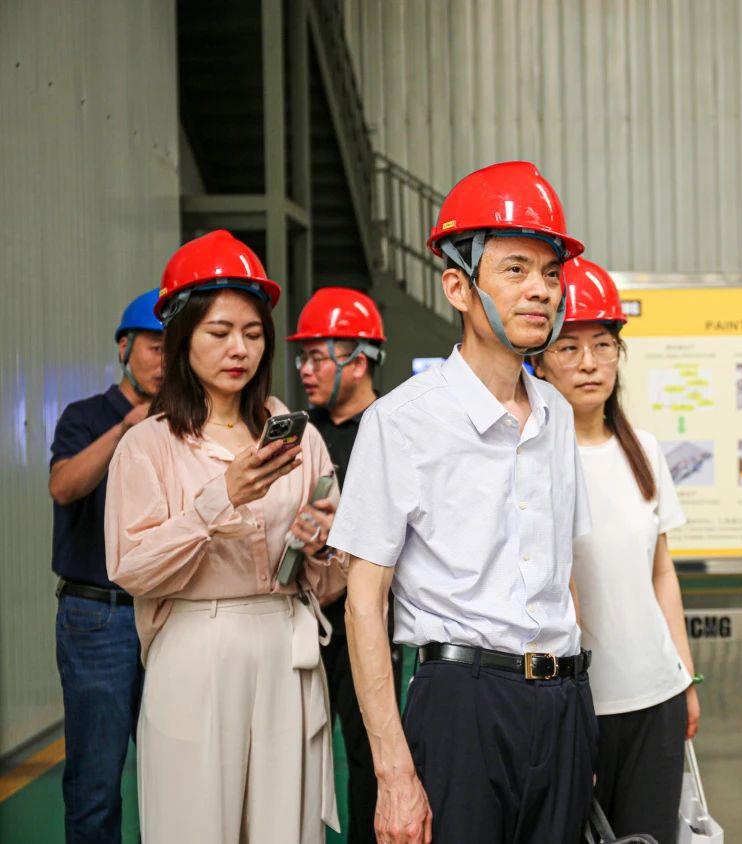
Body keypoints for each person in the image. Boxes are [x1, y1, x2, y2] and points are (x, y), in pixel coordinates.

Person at [329, 161, 596, 844]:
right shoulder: (402, 422)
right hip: (462, 706)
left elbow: (562, 573)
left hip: (564, 701)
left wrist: (577, 720)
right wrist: (393, 773)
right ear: (458, 286)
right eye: (515, 269)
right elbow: (364, 602)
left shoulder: (558, 414)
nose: (540, 290)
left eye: (550, 272)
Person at [105, 230, 348, 842]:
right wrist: (221, 498)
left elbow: (328, 580)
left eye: (253, 333)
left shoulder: (299, 436)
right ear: (182, 337)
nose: (239, 348)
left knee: (283, 825)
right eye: (219, 332)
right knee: (194, 821)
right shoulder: (149, 445)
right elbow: (132, 568)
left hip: (286, 642)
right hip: (196, 643)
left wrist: (321, 546)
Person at [533, 257, 700, 844]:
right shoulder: (533, 462)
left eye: (603, 345)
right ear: (539, 361)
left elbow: (661, 573)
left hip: (656, 696)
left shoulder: (644, 450)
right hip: (576, 703)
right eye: (569, 347)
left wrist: (685, 676)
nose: (589, 363)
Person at [49, 289, 163, 844]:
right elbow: (64, 486)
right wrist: (125, 430)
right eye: (154, 347)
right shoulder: (86, 417)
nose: (166, 360)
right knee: (96, 782)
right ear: (124, 348)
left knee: (174, 773)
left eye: (176, 348)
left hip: (164, 613)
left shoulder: (179, 426)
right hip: (99, 617)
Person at [290, 285, 397, 844]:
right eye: (302, 358)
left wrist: (347, 532)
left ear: (358, 362)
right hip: (302, 619)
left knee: (368, 755)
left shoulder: (396, 430)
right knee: (295, 752)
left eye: (317, 357)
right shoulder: (298, 435)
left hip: (371, 621)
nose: (305, 371)